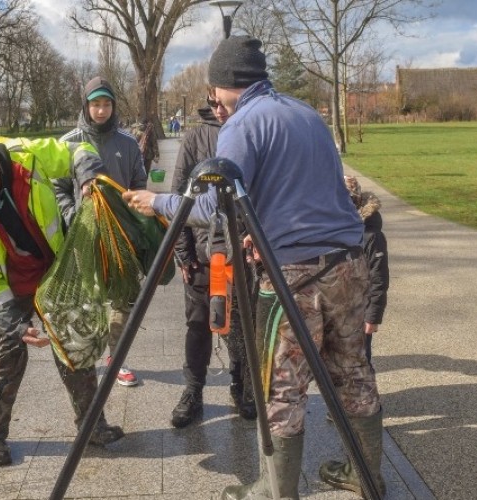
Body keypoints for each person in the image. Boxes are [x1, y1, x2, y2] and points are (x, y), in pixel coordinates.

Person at [124, 36, 384, 499]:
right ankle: (368, 477)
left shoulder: (242, 124)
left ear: (223, 85)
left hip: (295, 275)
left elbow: (210, 206)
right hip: (348, 263)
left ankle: (276, 491)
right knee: (354, 371)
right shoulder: (306, 113)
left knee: (282, 386)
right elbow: (304, 190)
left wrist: (157, 202)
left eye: (213, 93)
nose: (214, 104)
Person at [0, 136, 124, 467]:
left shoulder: (26, 156)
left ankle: (92, 426)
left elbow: (78, 150)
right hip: (9, 285)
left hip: (55, 268)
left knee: (74, 346)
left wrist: (88, 177)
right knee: (6, 355)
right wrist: (15, 323)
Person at [168, 91, 256, 428]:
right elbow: (179, 195)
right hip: (203, 251)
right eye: (213, 101)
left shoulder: (249, 131)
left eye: (223, 101)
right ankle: (194, 390)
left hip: (242, 250)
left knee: (242, 323)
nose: (219, 109)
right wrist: (183, 253)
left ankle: (242, 383)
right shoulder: (195, 137)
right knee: (198, 324)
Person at [56, 77, 148, 387]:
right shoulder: (68, 142)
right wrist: (72, 216)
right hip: (84, 238)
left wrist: (134, 220)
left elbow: (139, 183)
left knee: (125, 299)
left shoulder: (128, 143)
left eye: (106, 104)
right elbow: (57, 187)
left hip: (121, 236)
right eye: (95, 104)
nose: (101, 110)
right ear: (86, 105)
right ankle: (85, 359)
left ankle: (116, 359)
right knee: (88, 301)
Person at [344, 176, 390, 366]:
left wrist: (373, 316)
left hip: (359, 310)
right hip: (333, 308)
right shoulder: (331, 229)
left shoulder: (372, 236)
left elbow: (379, 278)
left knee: (359, 361)